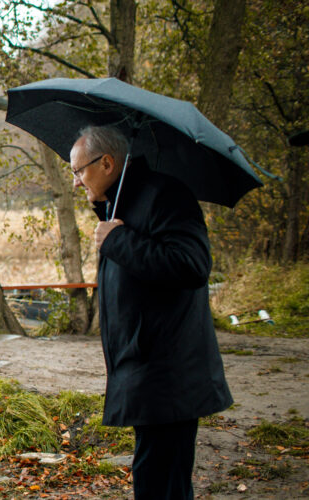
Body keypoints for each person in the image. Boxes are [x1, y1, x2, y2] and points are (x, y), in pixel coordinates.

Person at [71, 125, 233, 499]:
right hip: (147, 377)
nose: (77, 182)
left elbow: (192, 266)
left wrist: (119, 240)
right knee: (154, 480)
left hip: (170, 378)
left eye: (79, 171)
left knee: (162, 485)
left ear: (107, 162)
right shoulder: (123, 203)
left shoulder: (165, 195)